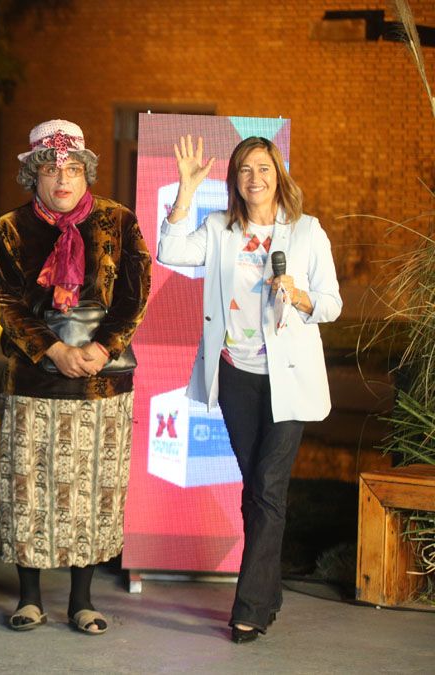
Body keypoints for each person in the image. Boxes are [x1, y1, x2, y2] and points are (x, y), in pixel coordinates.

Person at [159, 135, 341, 643]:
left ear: (278, 174)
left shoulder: (306, 232)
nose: (253, 178)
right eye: (243, 170)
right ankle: (270, 589)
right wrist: (186, 191)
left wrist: (302, 296)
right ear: (234, 181)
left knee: (267, 486)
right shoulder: (220, 228)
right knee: (257, 490)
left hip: (290, 379)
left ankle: (251, 608)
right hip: (235, 374)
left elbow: (332, 303)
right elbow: (169, 249)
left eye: (262, 168)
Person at [0, 120, 151, 636]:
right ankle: (29, 597)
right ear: (33, 174)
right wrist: (53, 349)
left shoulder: (118, 221)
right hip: (34, 378)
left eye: (73, 169)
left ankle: (82, 599)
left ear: (87, 173)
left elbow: (136, 293)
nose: (63, 179)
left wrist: (103, 349)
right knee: (28, 487)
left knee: (91, 491)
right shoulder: (7, 229)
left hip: (103, 380)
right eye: (52, 169)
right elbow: (5, 302)